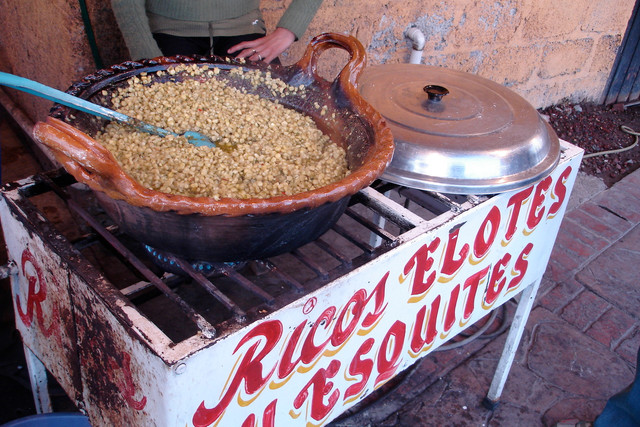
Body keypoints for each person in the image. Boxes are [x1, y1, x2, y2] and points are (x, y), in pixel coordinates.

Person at [110, 0, 323, 64]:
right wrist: (148, 60)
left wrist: (288, 31)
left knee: (275, 117)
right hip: (167, 32)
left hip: (245, 30)